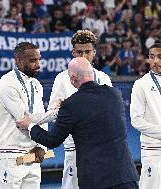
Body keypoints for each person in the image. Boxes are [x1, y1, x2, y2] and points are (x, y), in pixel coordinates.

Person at [16, 57, 139, 189]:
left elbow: (52, 140)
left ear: (73, 79)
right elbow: (92, 111)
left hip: (96, 180)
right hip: (125, 175)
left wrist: (30, 125)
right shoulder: (115, 94)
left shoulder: (71, 105)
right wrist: (66, 108)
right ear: (92, 73)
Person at [48, 29, 112, 189]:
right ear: (73, 52)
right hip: (76, 149)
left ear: (94, 52)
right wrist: (61, 112)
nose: (83, 56)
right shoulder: (63, 78)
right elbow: (52, 113)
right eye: (79, 52)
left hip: (101, 149)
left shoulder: (103, 78)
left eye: (88, 52)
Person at [0, 42, 48, 189]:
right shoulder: (7, 83)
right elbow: (24, 119)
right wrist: (53, 114)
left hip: (33, 151)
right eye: (32, 61)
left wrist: (41, 145)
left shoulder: (36, 84)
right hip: (11, 152)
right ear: (18, 60)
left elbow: (40, 118)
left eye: (38, 60)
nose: (37, 64)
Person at [130, 42, 161, 189]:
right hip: (154, 150)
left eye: (160, 56)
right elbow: (136, 120)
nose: (155, 61)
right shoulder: (141, 84)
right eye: (152, 57)